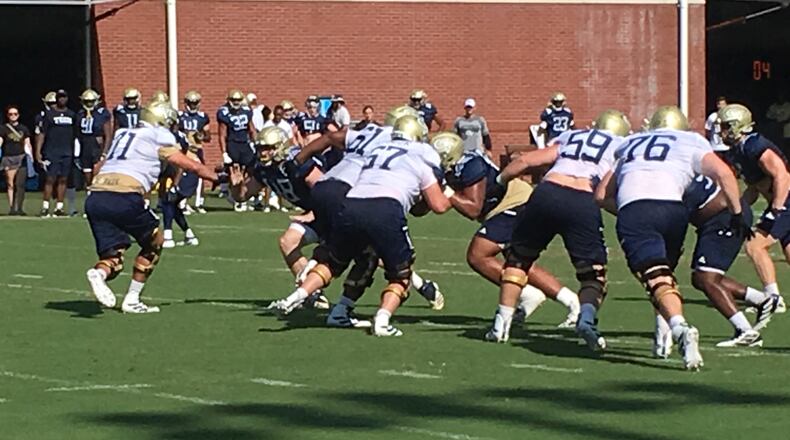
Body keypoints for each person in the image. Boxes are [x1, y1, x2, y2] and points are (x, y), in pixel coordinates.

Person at [596, 106, 747, 370]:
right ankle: (662, 338)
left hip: (637, 209)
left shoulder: (631, 143)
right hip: (674, 210)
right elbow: (724, 174)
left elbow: (601, 195)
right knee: (665, 276)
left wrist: (627, 210)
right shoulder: (692, 140)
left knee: (656, 277)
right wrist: (737, 212)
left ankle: (678, 329)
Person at [273, 115, 452, 336]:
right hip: (384, 208)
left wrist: (299, 160)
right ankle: (382, 320)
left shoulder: (375, 149)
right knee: (398, 273)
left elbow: (333, 139)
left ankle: (299, 298)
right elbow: (438, 205)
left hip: (350, 200)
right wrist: (452, 190)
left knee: (336, 260)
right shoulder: (420, 155)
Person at [485, 110, 629, 351]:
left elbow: (525, 162)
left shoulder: (572, 136)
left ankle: (502, 323)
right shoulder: (622, 146)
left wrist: (498, 183)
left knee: (518, 260)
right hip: (584, 199)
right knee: (593, 274)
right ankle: (586, 320)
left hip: (547, 193)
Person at [84, 101, 220, 313]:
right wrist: (216, 177)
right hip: (125, 195)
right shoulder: (159, 135)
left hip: (96, 196)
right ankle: (132, 299)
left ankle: (99, 274)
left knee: (113, 258)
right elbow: (188, 164)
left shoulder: (123, 133)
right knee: (155, 242)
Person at [437, 130, 580, 327]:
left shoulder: (470, 165)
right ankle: (572, 302)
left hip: (515, 202)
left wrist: (446, 190)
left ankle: (527, 292)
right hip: (504, 207)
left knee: (478, 255)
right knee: (520, 262)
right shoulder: (456, 165)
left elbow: (473, 207)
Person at [677, 174, 776, 349]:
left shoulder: (665, 177)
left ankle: (745, 330)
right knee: (700, 279)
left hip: (725, 217)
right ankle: (761, 300)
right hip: (718, 219)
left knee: (707, 278)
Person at [719, 103, 789, 313]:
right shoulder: (737, 151)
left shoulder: (754, 145)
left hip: (786, 201)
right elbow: (754, 188)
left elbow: (782, 175)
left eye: (724, 126)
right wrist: (734, 209)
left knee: (754, 246)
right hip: (782, 201)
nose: (720, 131)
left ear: (735, 126)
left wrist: (776, 209)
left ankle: (773, 299)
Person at [35, 89, 78, 217]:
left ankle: (59, 207)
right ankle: (45, 206)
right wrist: (38, 151)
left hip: (67, 151)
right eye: (60, 97)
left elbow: (75, 134)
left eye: (64, 97)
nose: (62, 99)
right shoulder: (49, 115)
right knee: (50, 179)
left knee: (63, 179)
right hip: (52, 151)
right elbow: (42, 134)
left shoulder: (72, 115)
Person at [217, 89, 255, 212]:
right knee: (235, 173)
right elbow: (222, 134)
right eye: (234, 100)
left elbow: (251, 129)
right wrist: (224, 152)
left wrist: (256, 143)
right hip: (232, 144)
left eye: (238, 100)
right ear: (229, 100)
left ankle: (241, 196)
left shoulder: (247, 111)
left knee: (249, 171)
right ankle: (237, 199)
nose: (236, 102)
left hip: (245, 144)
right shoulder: (224, 112)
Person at [178, 90, 211, 214]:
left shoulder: (202, 117)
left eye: (195, 103)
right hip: (184, 150)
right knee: (182, 175)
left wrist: (201, 135)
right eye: (190, 103)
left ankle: (198, 203)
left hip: (197, 149)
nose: (192, 105)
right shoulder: (180, 116)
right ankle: (182, 202)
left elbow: (208, 137)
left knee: (201, 175)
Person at [76, 89, 112, 187]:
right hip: (85, 143)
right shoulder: (80, 114)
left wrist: (104, 151)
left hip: (97, 144)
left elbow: (108, 135)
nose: (89, 104)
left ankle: (96, 189)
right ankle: (89, 189)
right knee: (86, 169)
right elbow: (77, 134)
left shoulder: (102, 113)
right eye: (87, 101)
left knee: (97, 168)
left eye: (91, 101)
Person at [0, 105, 32, 215]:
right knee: (10, 184)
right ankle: (12, 207)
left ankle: (20, 207)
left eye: (15, 114)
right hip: (8, 157)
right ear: (7, 116)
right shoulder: (3, 128)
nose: (13, 116)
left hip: (21, 157)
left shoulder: (24, 129)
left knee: (20, 184)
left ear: (18, 115)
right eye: (10, 114)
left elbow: (27, 143)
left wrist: (31, 156)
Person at [766, 91, 790, 158]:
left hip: (787, 130)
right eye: (779, 96)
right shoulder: (773, 106)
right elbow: (768, 116)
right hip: (777, 130)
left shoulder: (788, 105)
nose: (781, 98)